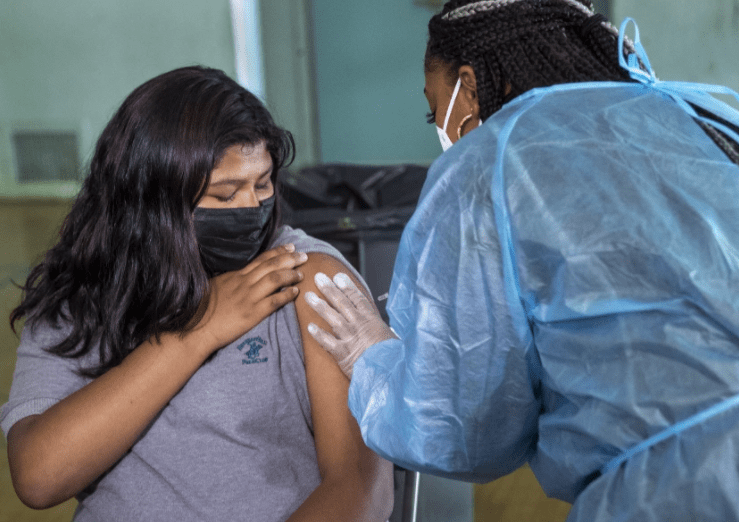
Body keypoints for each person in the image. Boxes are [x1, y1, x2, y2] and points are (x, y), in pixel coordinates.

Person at [304, 0, 739, 520]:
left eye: (434, 109)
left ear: (468, 86)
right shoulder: (696, 116)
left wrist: (373, 361)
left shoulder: (491, 161)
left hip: (685, 488)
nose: (441, 130)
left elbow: (464, 431)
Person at [1, 66, 393, 522]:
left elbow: (361, 491)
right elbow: (38, 476)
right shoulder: (83, 292)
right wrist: (199, 331)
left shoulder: (308, 278)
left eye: (262, 184)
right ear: (152, 201)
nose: (251, 207)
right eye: (225, 195)